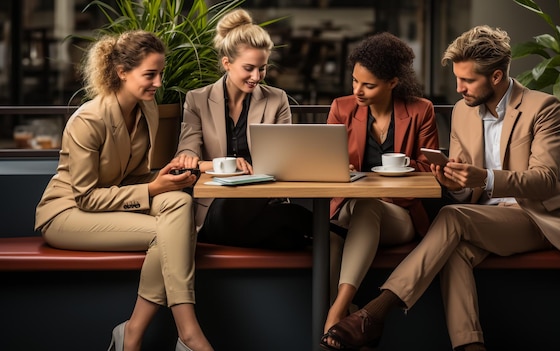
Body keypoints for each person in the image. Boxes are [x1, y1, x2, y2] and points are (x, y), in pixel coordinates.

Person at [321, 25, 560, 351]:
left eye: (468, 80)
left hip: (534, 217)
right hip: (481, 218)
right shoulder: (463, 111)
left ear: (497, 76)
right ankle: (469, 346)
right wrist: (453, 182)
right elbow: (465, 190)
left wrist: (485, 178)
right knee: (454, 250)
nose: (458, 89)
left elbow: (545, 180)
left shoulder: (543, 108)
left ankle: (373, 313)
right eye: (457, 78)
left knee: (452, 218)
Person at [34, 30, 213, 351]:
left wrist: (174, 176)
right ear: (121, 72)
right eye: (150, 75)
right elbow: (86, 197)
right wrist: (154, 187)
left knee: (179, 203)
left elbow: (137, 176)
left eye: (160, 73)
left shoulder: (148, 109)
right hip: (67, 214)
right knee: (167, 229)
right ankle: (187, 333)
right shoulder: (87, 121)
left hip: (110, 204)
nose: (159, 83)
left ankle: (132, 332)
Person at [320, 32, 439, 350]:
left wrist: (401, 168)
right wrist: (335, 169)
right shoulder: (341, 108)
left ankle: (335, 312)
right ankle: (348, 321)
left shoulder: (420, 111)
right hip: (348, 208)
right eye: (355, 81)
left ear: (393, 82)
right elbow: (325, 162)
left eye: (368, 85)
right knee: (328, 234)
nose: (357, 90)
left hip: (399, 212)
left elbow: (430, 171)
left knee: (363, 208)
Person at [175, 8, 312, 250]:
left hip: (263, 203)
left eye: (263, 68)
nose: (257, 76)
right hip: (217, 209)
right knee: (288, 224)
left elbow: (285, 161)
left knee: (286, 238)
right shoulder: (197, 100)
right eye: (249, 68)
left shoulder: (277, 99)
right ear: (227, 63)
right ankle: (305, 222)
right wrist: (226, 164)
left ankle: (292, 220)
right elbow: (186, 160)